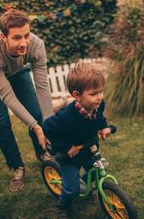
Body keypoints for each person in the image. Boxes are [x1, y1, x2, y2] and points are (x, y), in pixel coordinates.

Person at [0, 9, 53, 192]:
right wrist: (34, 125)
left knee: (37, 113)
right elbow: (7, 96)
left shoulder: (36, 45)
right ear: (4, 37)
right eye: (17, 37)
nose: (24, 42)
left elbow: (42, 85)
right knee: (1, 123)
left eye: (27, 35)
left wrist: (48, 121)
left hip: (17, 71)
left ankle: (43, 152)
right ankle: (17, 166)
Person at [42, 62, 112, 219]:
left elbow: (99, 118)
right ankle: (63, 207)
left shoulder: (98, 105)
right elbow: (47, 128)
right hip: (69, 156)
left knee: (98, 173)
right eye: (94, 93)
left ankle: (83, 183)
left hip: (89, 150)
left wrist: (104, 127)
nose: (100, 97)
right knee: (71, 189)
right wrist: (67, 147)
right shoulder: (67, 115)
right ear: (76, 95)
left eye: (101, 91)